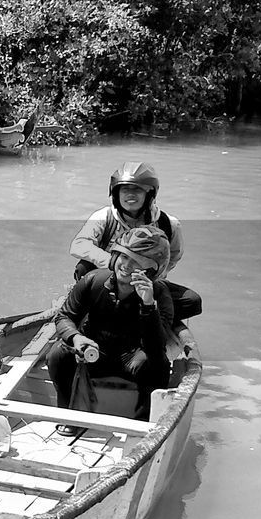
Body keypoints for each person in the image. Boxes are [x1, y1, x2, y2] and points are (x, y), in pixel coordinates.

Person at [47, 226, 174, 425]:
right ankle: (67, 415)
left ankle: (144, 423)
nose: (127, 266)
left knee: (158, 365)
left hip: (132, 357)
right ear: (115, 256)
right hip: (94, 351)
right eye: (125, 257)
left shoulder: (160, 295)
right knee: (58, 354)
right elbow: (64, 317)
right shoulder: (93, 281)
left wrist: (148, 306)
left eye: (137, 263)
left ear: (151, 271)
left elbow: (157, 347)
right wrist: (76, 337)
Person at [69, 161, 202, 334]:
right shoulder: (104, 217)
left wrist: (154, 277)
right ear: (116, 193)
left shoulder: (169, 224)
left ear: (150, 194)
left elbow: (173, 256)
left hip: (145, 281)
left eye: (137, 190)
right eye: (125, 190)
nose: (130, 195)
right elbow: (78, 245)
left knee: (192, 301)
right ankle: (102, 313)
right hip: (111, 281)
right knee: (83, 268)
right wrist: (114, 262)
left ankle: (143, 316)